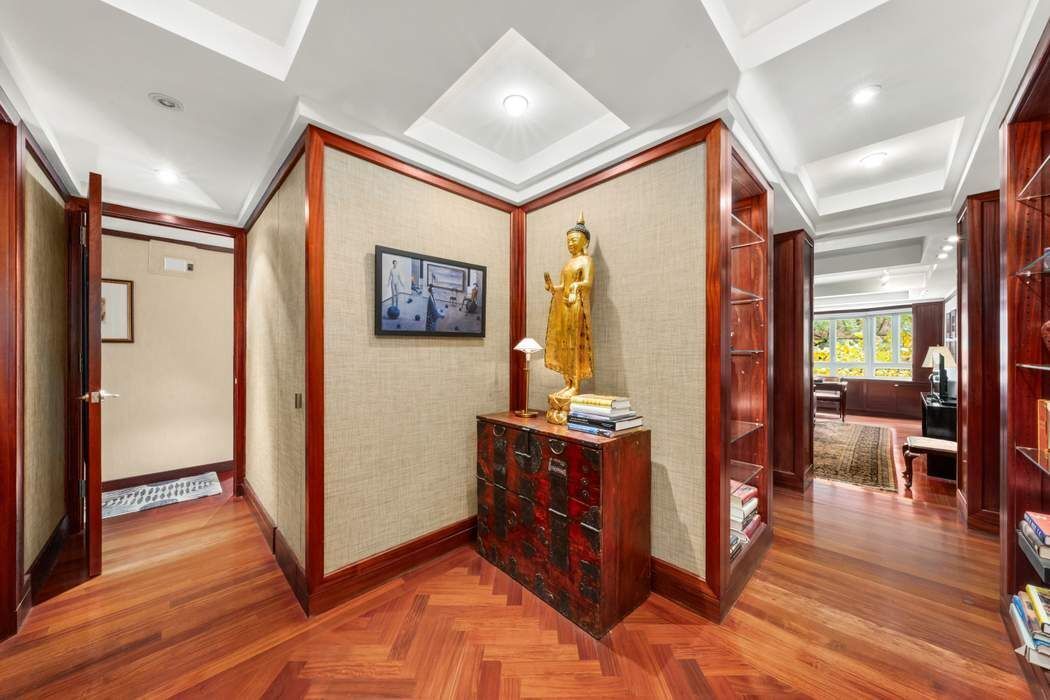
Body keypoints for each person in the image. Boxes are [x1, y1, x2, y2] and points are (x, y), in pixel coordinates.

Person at [542, 212, 594, 424]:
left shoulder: (586, 260)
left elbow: (588, 283)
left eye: (574, 240)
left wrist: (576, 286)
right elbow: (562, 286)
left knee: (574, 345)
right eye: (568, 241)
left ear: (585, 241)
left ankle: (576, 386)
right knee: (564, 345)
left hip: (577, 308)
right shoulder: (568, 264)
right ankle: (567, 382)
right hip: (564, 307)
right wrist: (553, 287)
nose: (571, 244)